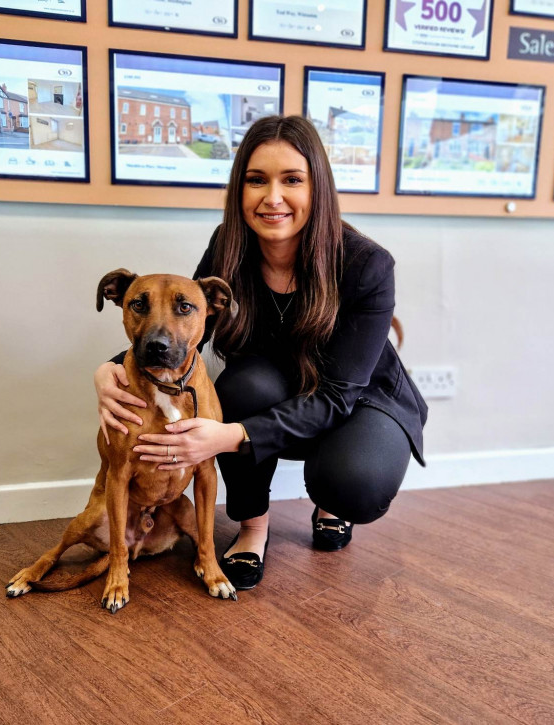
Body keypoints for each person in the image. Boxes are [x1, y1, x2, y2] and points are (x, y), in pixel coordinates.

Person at [94, 115, 427, 590]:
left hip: (357, 397)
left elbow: (336, 396)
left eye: (292, 179)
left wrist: (229, 437)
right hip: (276, 387)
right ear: (240, 189)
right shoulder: (228, 246)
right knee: (239, 387)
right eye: (256, 180)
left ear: (318, 187)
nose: (273, 198)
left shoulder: (367, 265)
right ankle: (253, 526)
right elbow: (186, 330)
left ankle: (331, 502)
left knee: (354, 480)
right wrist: (108, 372)